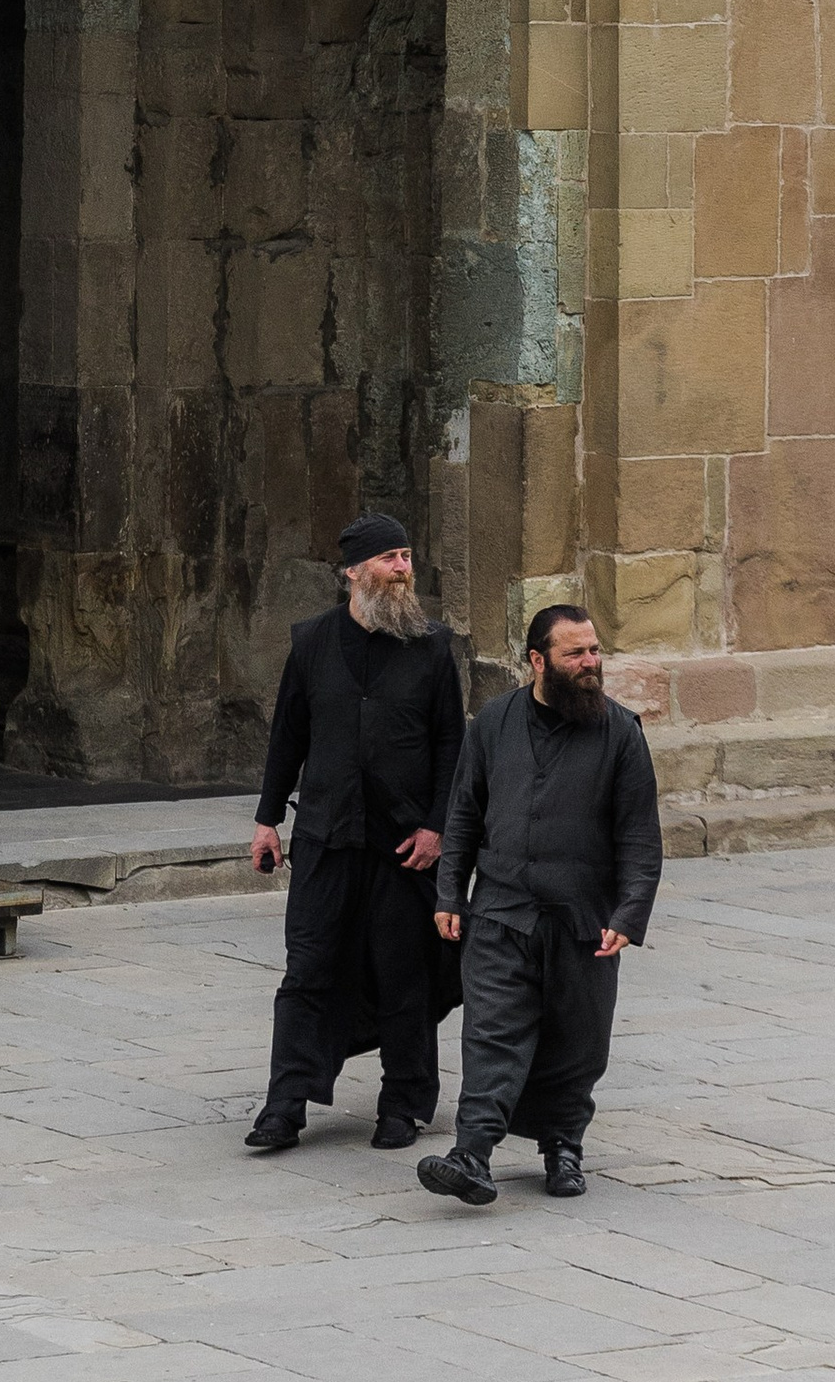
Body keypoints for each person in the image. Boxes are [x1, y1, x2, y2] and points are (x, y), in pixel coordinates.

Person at [417, 603, 662, 1209]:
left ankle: (562, 1147)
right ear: (536, 661)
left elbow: (640, 838)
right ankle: (471, 1153)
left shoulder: (622, 733)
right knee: (492, 1033)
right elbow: (464, 816)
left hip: (583, 920)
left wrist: (628, 916)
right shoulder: (494, 724)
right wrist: (450, 893)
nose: (590, 664)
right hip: (501, 912)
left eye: (595, 651)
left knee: (576, 1043)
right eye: (575, 653)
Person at [243, 511, 465, 1156]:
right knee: (307, 969)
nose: (404, 567)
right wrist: (267, 820)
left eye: (406, 555)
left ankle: (404, 1105)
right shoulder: (312, 641)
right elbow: (288, 735)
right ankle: (285, 1105)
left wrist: (437, 826)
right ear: (355, 572)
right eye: (391, 557)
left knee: (405, 974)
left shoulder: (429, 645)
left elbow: (453, 741)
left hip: (404, 845)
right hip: (325, 836)